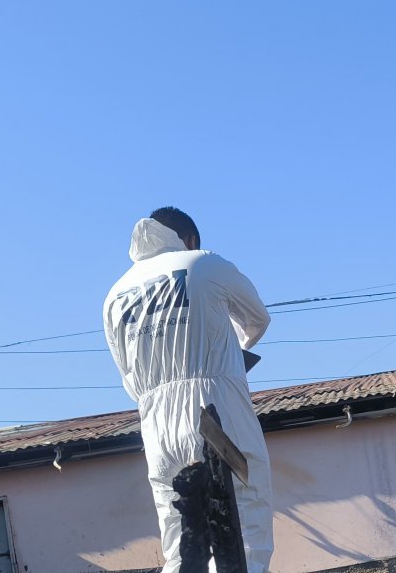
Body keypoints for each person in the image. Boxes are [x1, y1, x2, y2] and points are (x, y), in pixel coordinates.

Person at [103, 207, 272, 573]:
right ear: (190, 240)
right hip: (215, 409)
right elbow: (257, 319)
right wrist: (231, 351)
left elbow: (129, 377)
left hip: (156, 425)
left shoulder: (115, 296)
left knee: (180, 541)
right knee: (243, 527)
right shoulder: (204, 263)